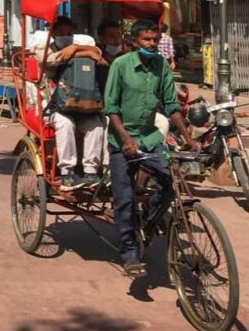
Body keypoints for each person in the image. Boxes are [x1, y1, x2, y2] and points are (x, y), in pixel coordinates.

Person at [105, 20, 198, 279]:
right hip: (121, 139)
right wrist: (125, 140)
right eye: (147, 40)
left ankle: (149, 218)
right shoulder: (121, 65)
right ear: (135, 42)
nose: (152, 44)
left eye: (155, 40)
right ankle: (130, 255)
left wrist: (188, 138)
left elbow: (171, 105)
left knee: (170, 180)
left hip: (149, 136)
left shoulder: (161, 66)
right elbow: (110, 107)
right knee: (123, 199)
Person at [45, 16, 107, 190]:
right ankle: (67, 173)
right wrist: (86, 53)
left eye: (69, 33)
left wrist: (76, 47)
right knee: (65, 124)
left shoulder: (79, 45)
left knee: (95, 125)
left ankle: (91, 171)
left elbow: (99, 53)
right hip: (56, 107)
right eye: (61, 33)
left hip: (83, 105)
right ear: (53, 34)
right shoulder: (46, 51)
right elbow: (54, 59)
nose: (66, 36)